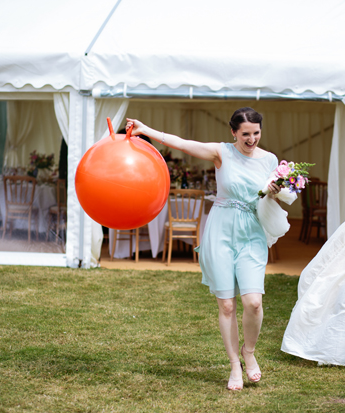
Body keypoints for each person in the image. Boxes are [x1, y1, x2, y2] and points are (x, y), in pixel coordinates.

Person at [125, 107, 281, 391]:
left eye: (256, 133)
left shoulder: (270, 160)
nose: (251, 139)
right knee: (226, 304)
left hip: (251, 233)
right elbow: (182, 143)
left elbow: (276, 194)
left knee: (253, 303)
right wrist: (146, 130)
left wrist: (276, 191)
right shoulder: (221, 152)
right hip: (221, 230)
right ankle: (234, 363)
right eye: (245, 134)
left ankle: (249, 351)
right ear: (233, 132)